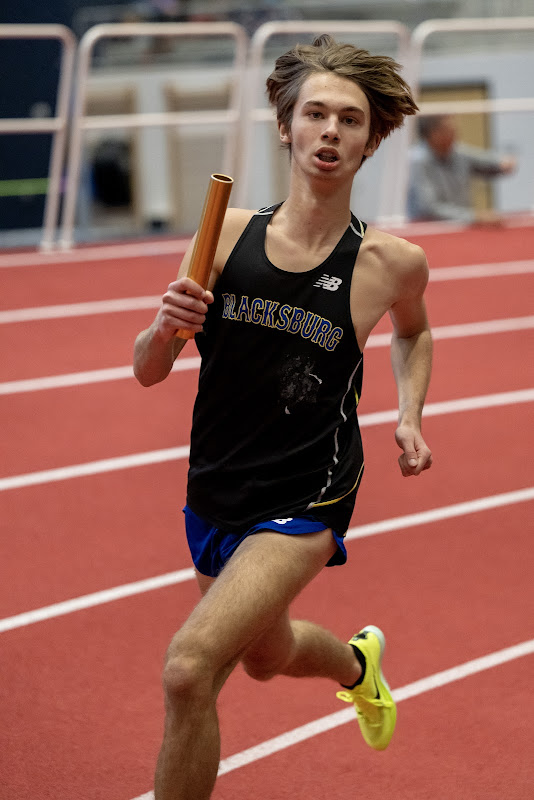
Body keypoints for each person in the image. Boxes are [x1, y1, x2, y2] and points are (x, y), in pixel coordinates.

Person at [134, 34, 433, 800]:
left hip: (308, 493)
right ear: (286, 127)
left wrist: (408, 414)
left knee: (189, 668)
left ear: (372, 140)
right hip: (216, 485)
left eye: (350, 120)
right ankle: (360, 667)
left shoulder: (388, 263)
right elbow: (147, 370)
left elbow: (415, 330)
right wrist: (165, 326)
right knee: (265, 656)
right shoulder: (223, 234)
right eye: (316, 114)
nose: (331, 131)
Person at [407, 113, 516, 224]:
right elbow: (429, 208)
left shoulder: (457, 152)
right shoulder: (418, 161)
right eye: (447, 129)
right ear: (431, 134)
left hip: (461, 226)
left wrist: (505, 163)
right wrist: (474, 216)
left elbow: (491, 163)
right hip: (427, 228)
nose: (454, 132)